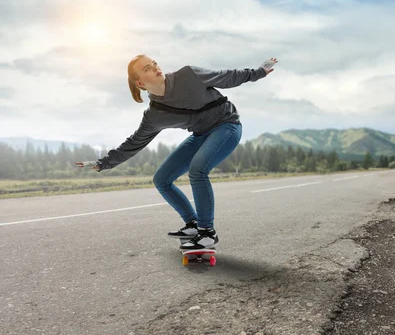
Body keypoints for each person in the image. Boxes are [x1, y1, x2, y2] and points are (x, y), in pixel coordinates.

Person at [75, 54, 277, 250]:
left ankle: (207, 233)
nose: (155, 68)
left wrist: (260, 71)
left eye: (154, 63)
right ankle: (192, 225)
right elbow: (135, 142)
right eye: (147, 69)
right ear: (140, 84)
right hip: (201, 135)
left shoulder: (188, 75)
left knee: (197, 171)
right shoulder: (155, 115)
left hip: (227, 126)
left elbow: (228, 76)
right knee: (162, 179)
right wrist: (103, 163)